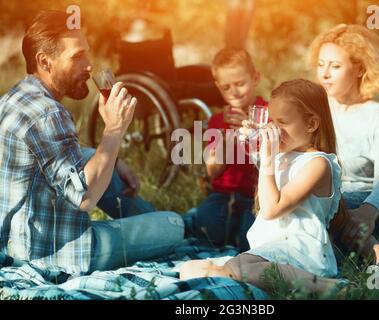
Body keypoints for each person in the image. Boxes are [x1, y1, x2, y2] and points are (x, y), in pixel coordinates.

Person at [0, 10, 184, 275]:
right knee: (174, 225)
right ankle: (167, 221)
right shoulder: (48, 114)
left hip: (14, 242)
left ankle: (144, 218)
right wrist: (115, 130)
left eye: (87, 52)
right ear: (45, 61)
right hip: (57, 252)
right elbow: (85, 198)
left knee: (91, 156)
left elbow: (62, 161)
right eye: (76, 56)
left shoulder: (14, 98)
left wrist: (115, 159)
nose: (89, 65)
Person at [180, 79, 349, 294]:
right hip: (269, 249)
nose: (274, 130)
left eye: (282, 122)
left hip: (299, 249)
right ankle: (260, 279)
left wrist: (268, 158)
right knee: (189, 269)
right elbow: (262, 175)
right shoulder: (283, 155)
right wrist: (248, 140)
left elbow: (271, 209)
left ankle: (330, 288)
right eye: (271, 122)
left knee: (236, 268)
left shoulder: (318, 163)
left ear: (311, 124)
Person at [308, 24, 379, 258]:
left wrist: (368, 212)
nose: (325, 74)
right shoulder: (313, 112)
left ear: (359, 69)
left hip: (366, 203)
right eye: (321, 65)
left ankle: (378, 258)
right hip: (322, 200)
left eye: (335, 66)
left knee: (318, 210)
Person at [183, 48, 266, 251]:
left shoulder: (268, 114)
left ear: (255, 78)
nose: (234, 92)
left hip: (258, 196)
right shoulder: (218, 120)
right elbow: (213, 172)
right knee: (206, 228)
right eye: (226, 87)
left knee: (251, 240)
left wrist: (252, 132)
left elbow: (274, 162)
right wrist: (229, 137)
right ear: (219, 88)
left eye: (240, 84)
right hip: (223, 194)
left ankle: (238, 233)